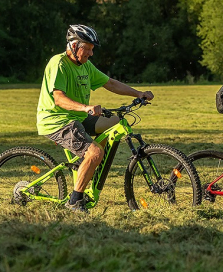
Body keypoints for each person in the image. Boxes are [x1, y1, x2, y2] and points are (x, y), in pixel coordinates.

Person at [36, 24, 154, 213]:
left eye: (92, 49)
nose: (91, 53)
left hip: (79, 118)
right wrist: (86, 107)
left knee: (116, 123)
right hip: (58, 121)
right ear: (74, 46)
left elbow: (110, 83)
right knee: (95, 153)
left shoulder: (86, 66)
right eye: (88, 48)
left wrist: (138, 93)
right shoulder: (58, 63)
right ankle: (75, 201)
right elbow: (58, 99)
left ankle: (86, 164)